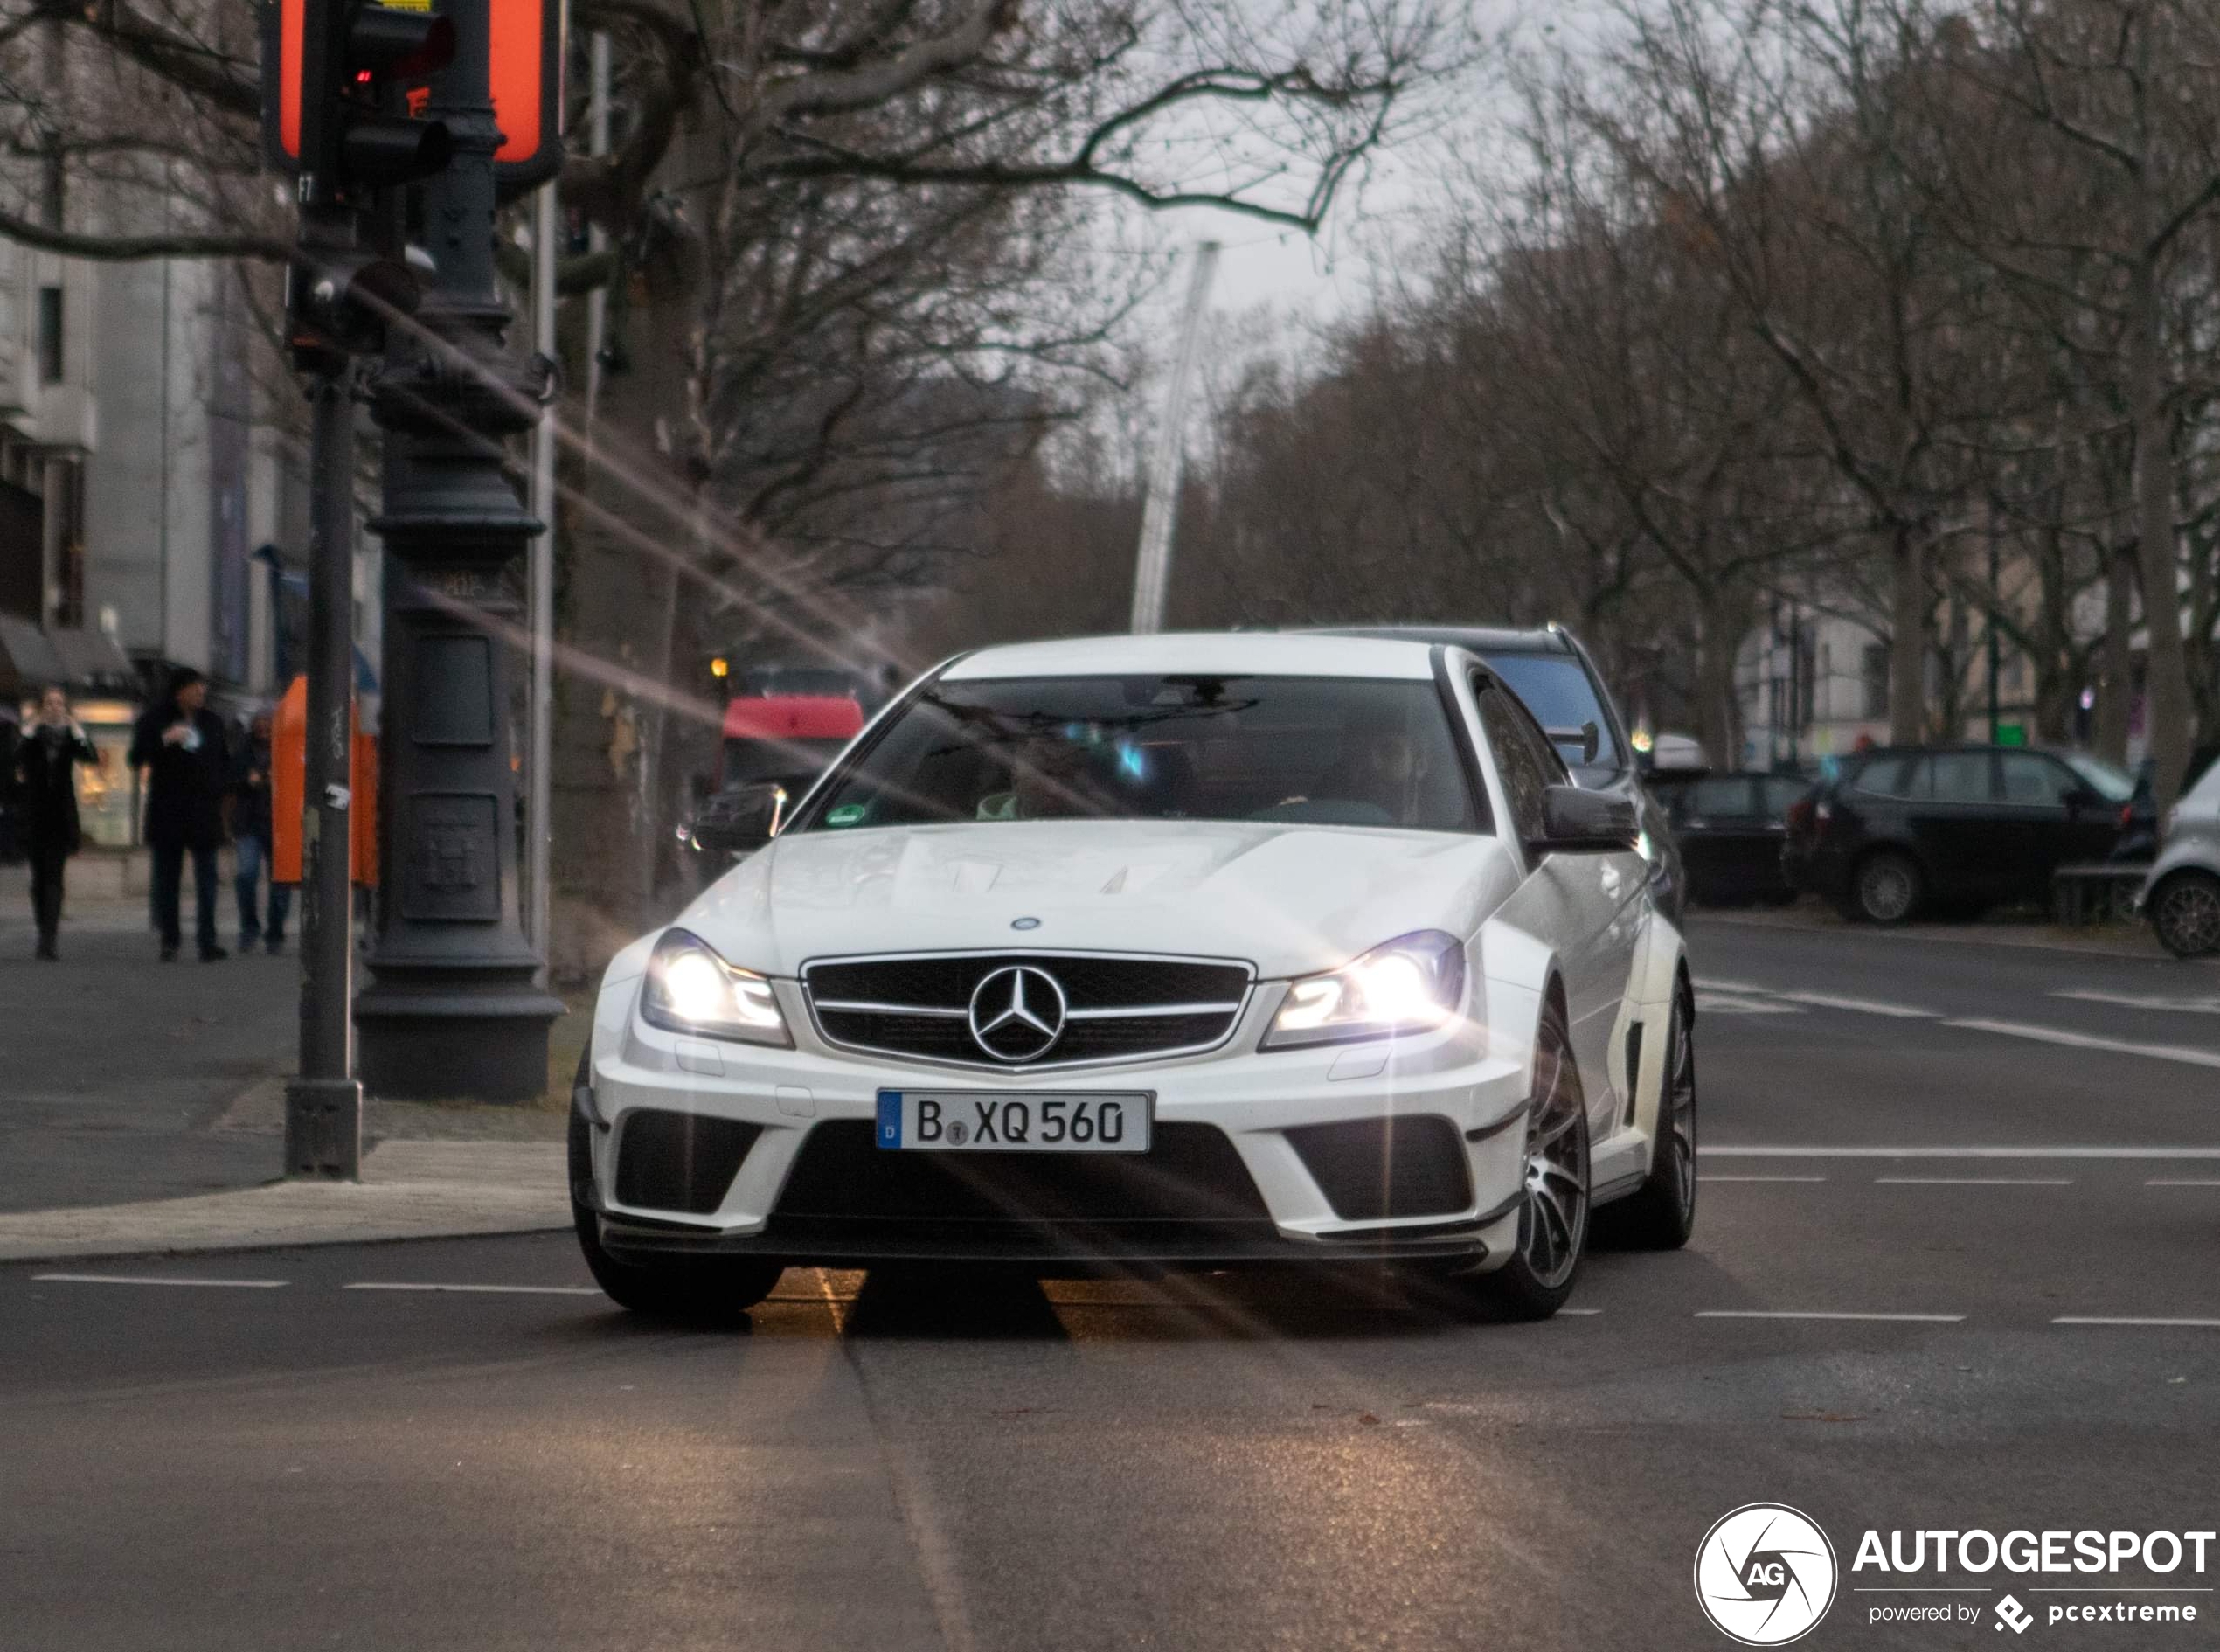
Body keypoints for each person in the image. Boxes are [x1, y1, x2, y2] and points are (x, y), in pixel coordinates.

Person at [130, 668, 231, 961]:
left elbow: (222, 761)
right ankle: (170, 939)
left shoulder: (211, 722)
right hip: (168, 810)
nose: (201, 694)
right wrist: (165, 739)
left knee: (207, 879)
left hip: (203, 810)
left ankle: (207, 941)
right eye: (195, 689)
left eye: (203, 689)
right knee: (168, 880)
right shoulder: (155, 718)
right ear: (180, 691)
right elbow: (136, 757)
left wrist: (220, 794)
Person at [14, 686, 99, 960]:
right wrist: (29, 729)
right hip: (35, 815)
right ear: (41, 708)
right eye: (49, 703)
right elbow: (15, 758)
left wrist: (77, 730)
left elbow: (91, 757)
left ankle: (48, 937)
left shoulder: (70, 739)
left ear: (65, 708)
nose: (54, 707)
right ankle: (43, 927)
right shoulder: (33, 737)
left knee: (54, 876)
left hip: (61, 817)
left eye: (59, 703)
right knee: (39, 879)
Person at [230, 709, 289, 954]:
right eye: (260, 724)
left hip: (280, 825)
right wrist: (247, 781)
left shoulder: (286, 750)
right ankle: (249, 928)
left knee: (281, 882)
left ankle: (275, 932)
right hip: (249, 823)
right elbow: (230, 779)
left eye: (268, 724)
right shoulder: (243, 751)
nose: (264, 728)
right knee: (246, 875)